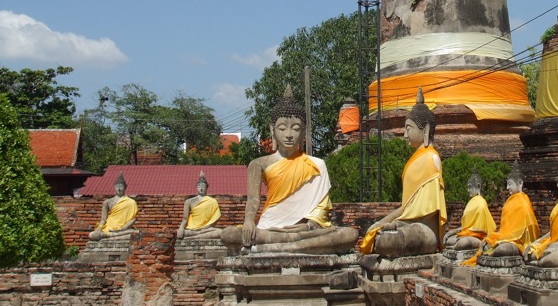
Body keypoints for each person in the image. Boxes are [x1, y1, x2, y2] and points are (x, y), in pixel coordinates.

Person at [220, 85, 357, 254]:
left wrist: (309, 225)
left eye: (296, 128)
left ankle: (276, 247)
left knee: (349, 235)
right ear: (272, 130)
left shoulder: (317, 165)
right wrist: (248, 221)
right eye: (283, 128)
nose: (289, 134)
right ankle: (293, 246)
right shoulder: (258, 163)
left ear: (303, 131)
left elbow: (321, 207)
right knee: (229, 235)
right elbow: (253, 200)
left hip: (304, 231)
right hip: (269, 228)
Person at [360, 88, 447, 258]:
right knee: (377, 233)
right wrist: (384, 221)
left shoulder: (431, 158)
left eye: (409, 128)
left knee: (387, 241)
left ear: (426, 129)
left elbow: (427, 211)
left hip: (425, 229)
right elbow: (407, 206)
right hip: (409, 224)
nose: (405, 135)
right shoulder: (415, 160)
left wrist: (397, 223)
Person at [463, 160, 539, 265]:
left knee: (503, 249)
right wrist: (496, 237)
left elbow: (526, 232)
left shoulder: (524, 203)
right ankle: (487, 255)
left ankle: (488, 256)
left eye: (510, 184)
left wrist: (504, 239)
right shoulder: (508, 202)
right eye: (507, 184)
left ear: (520, 183)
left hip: (518, 242)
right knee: (487, 243)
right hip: (506, 238)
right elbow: (505, 230)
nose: (507, 188)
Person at [442, 167, 496, 252]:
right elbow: (465, 227)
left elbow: (482, 229)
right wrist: (450, 232)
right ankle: (455, 246)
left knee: (464, 242)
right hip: (466, 234)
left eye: (470, 187)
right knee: (450, 240)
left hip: (478, 237)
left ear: (478, 186)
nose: (468, 190)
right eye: (468, 187)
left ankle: (456, 247)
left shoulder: (481, 203)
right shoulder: (470, 203)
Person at [89, 172, 138, 240]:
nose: (119, 189)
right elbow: (103, 219)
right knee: (92, 235)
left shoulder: (131, 202)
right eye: (117, 187)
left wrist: (124, 228)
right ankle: (110, 236)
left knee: (136, 234)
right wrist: (99, 228)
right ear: (114, 187)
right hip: (109, 227)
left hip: (122, 229)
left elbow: (133, 219)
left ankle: (108, 236)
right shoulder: (108, 202)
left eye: (121, 187)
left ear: (125, 187)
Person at [177, 171, 222, 239]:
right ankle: (197, 235)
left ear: (207, 187)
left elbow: (214, 221)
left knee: (220, 232)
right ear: (196, 187)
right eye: (199, 186)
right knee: (178, 233)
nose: (201, 189)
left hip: (206, 229)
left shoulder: (212, 201)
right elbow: (185, 219)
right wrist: (181, 228)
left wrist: (205, 228)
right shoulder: (189, 201)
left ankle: (195, 237)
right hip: (192, 229)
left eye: (203, 186)